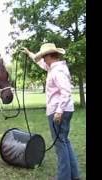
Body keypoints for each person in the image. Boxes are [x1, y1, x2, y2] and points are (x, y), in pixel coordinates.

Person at [21, 43, 81, 180]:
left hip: (58, 111)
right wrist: (30, 53)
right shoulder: (55, 67)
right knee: (65, 141)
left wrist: (59, 112)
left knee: (60, 145)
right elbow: (40, 63)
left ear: (49, 55)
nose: (42, 58)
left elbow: (66, 92)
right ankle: (75, 175)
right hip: (64, 109)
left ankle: (63, 177)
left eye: (44, 56)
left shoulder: (57, 71)